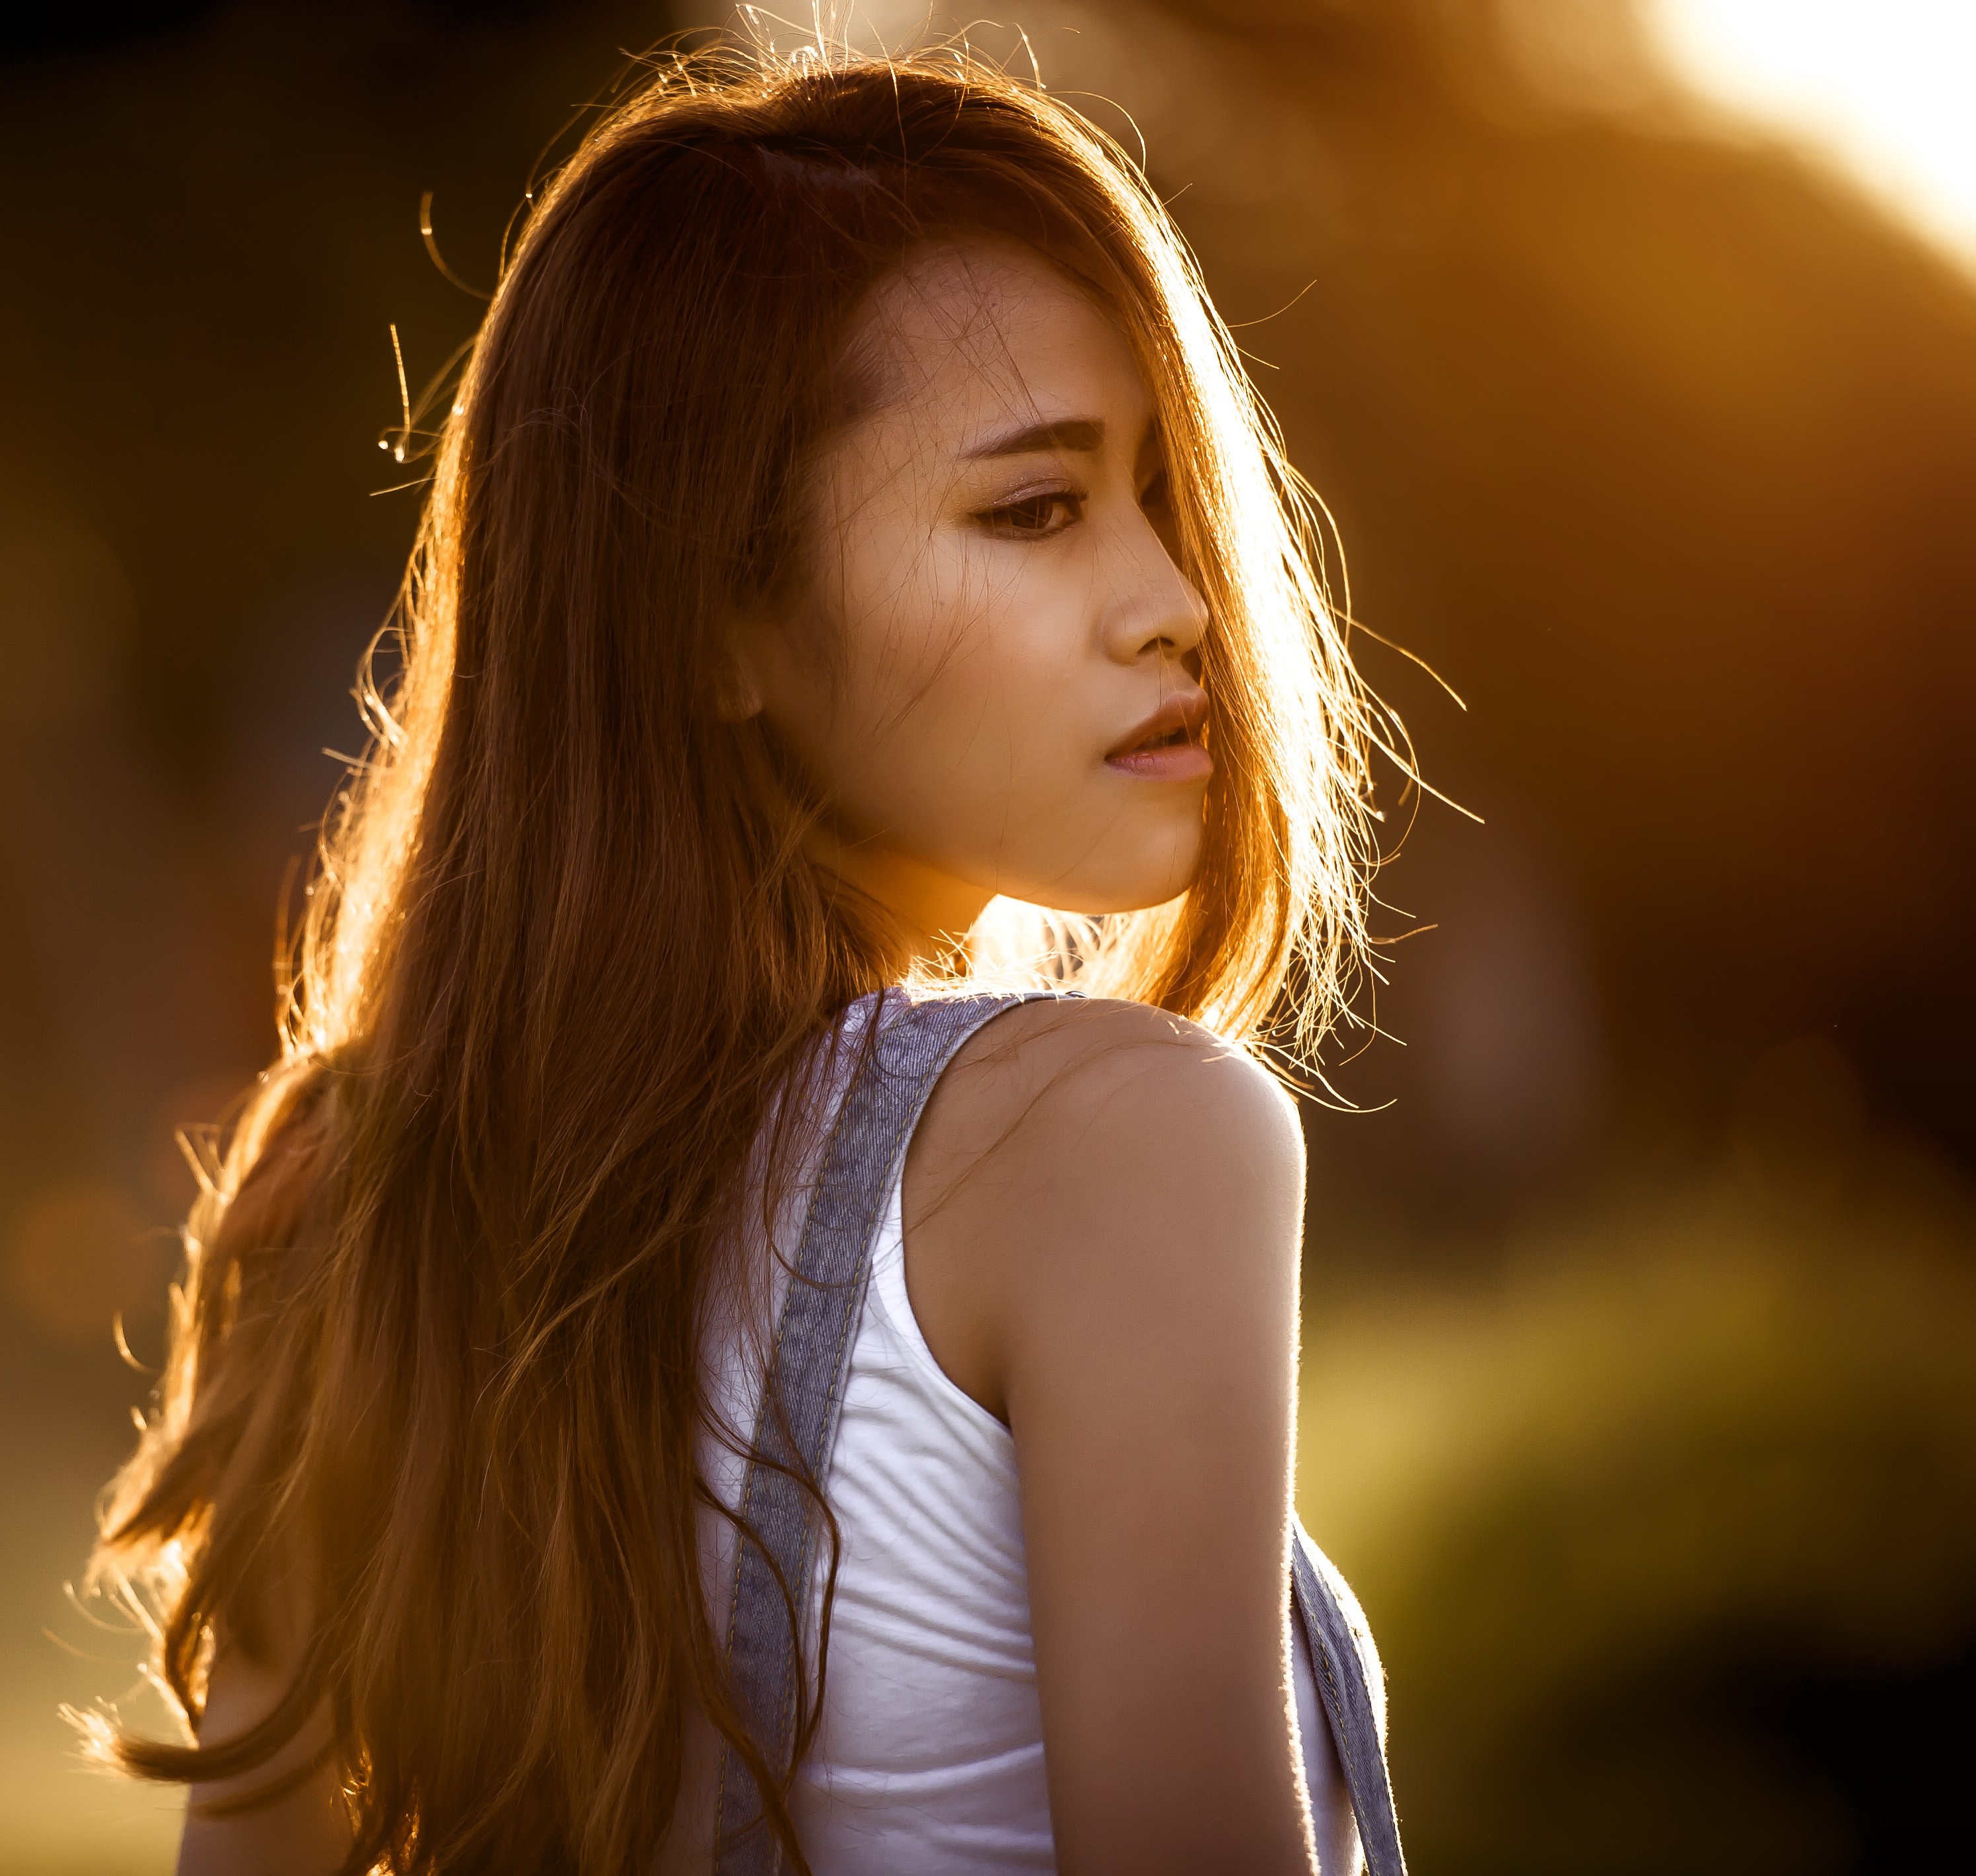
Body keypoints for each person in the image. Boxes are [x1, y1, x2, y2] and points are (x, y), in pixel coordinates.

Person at [83, 40, 1404, 1876]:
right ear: (721, 621)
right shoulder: (1117, 1143)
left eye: (1164, 496)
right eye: (1035, 509)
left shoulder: (349, 1191)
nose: (1176, 599)